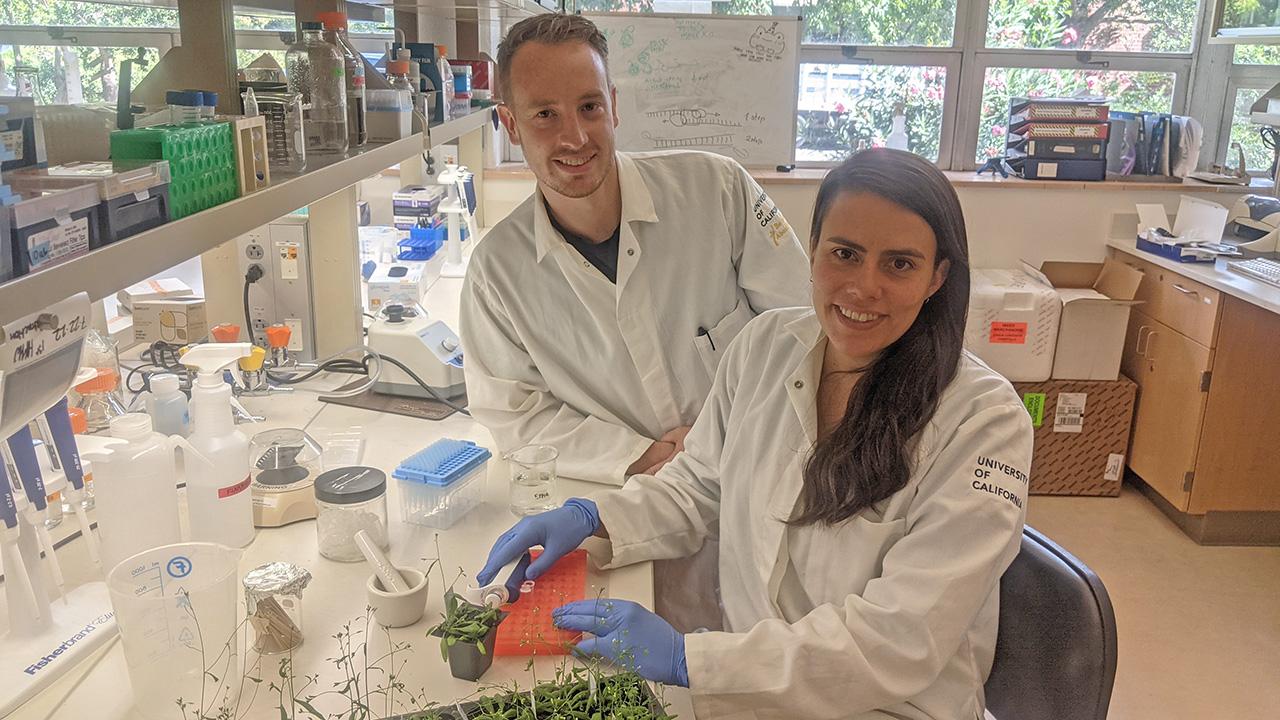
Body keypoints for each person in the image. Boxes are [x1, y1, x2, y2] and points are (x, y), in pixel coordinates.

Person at [477, 149, 1035, 719]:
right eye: (844, 254)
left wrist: (689, 661)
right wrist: (597, 518)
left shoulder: (983, 422)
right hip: (750, 693)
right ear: (812, 252)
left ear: (938, 277)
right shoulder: (766, 347)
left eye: (899, 264)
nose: (864, 288)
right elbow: (698, 484)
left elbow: (899, 639)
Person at [460, 14, 810, 630]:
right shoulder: (498, 272)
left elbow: (802, 330)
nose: (575, 136)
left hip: (764, 486)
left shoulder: (716, 189)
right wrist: (642, 454)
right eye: (545, 114)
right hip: (635, 513)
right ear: (510, 125)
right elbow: (517, 414)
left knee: (783, 655)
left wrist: (715, 437)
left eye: (589, 106)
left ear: (614, 105)